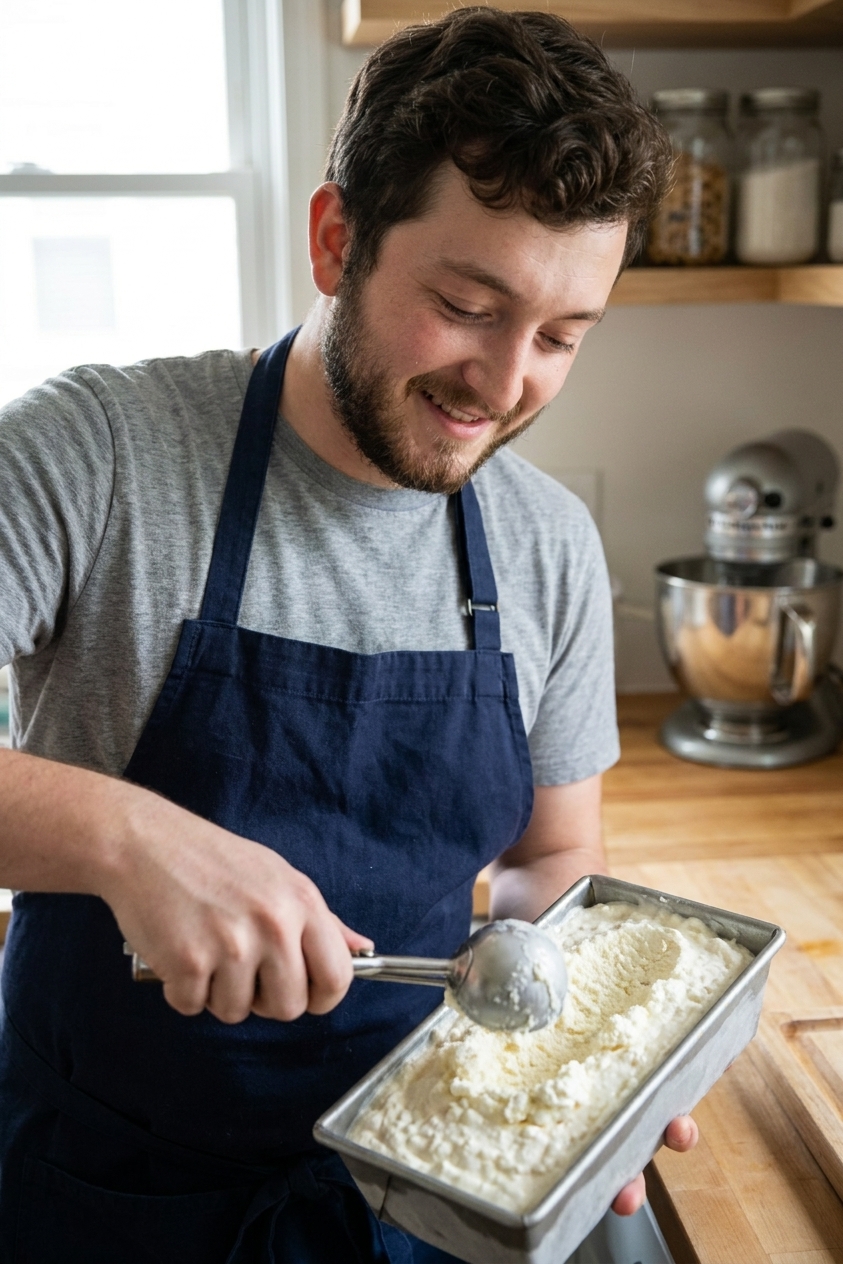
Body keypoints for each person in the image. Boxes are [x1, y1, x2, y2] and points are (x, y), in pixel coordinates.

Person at [0, 8, 696, 1261]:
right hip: (109, 1183)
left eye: (559, 338)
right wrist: (126, 836)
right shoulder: (96, 453)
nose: (503, 383)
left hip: (427, 1180)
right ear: (337, 240)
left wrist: (589, 1052)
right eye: (468, 305)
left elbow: (554, 857)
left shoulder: (545, 543)